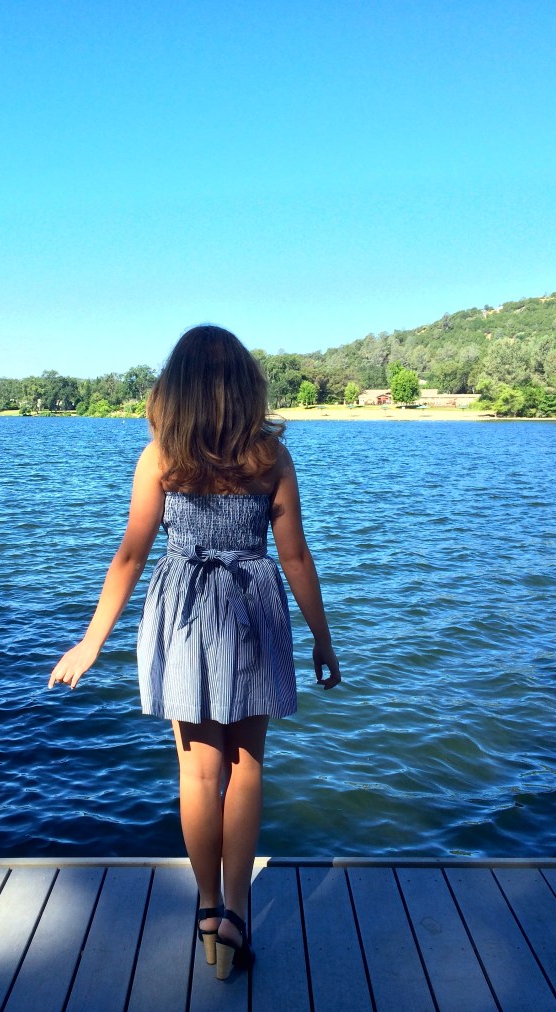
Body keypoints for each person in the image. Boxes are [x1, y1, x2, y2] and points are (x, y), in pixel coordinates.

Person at [49, 325, 340, 979]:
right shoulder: (270, 457)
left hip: (183, 608)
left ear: (174, 388)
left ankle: (208, 910)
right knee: (247, 766)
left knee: (199, 772)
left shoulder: (160, 455)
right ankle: (237, 912)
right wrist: (323, 638)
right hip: (252, 603)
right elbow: (294, 556)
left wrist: (92, 640)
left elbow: (131, 552)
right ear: (246, 388)